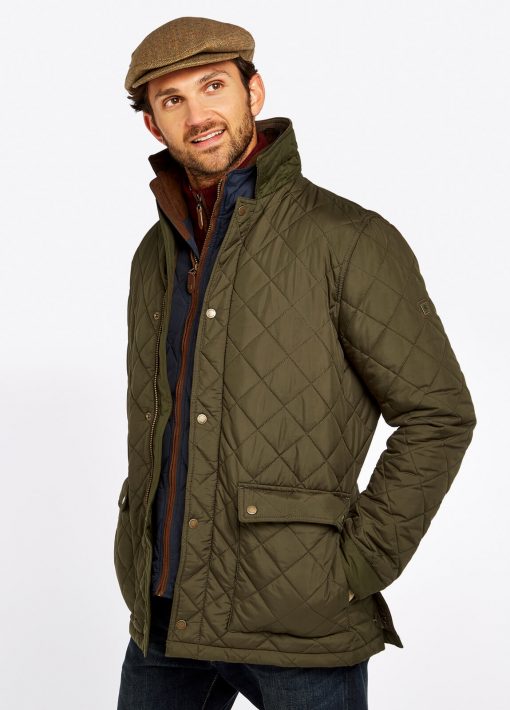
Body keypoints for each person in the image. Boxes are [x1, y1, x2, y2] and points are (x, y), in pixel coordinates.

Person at [114, 16, 477, 710]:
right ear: (153, 125)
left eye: (213, 86)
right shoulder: (152, 256)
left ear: (254, 91)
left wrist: (355, 566)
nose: (198, 115)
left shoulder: (348, 238)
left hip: (298, 627)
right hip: (165, 616)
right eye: (173, 100)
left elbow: (438, 415)